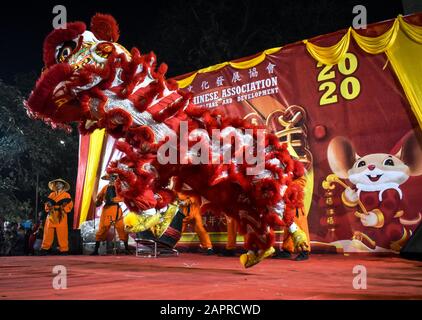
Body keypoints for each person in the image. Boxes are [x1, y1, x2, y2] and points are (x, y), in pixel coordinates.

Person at [273, 175, 311, 261]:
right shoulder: (281, 164)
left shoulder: (294, 165)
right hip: (286, 199)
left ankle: (304, 251)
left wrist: (288, 187)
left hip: (294, 198)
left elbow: (302, 181)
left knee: (299, 224)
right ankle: (287, 250)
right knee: (289, 225)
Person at [91, 174, 130, 255]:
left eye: (114, 177)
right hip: (107, 209)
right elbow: (100, 198)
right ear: (108, 178)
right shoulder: (105, 187)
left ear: (116, 179)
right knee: (102, 228)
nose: (112, 179)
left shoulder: (119, 187)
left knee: (122, 228)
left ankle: (127, 249)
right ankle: (95, 250)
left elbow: (124, 197)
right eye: (110, 177)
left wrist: (116, 200)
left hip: (116, 209)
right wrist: (97, 202)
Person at [40, 178, 73, 255]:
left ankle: (64, 249)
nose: (58, 185)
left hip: (61, 214)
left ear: (63, 185)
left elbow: (70, 205)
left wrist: (64, 206)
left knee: (62, 232)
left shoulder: (66, 195)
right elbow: (47, 204)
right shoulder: (51, 194)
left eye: (60, 184)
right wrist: (48, 205)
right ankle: (45, 248)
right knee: (48, 231)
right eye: (57, 184)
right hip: (51, 214)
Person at [178, 190, 214, 255]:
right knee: (179, 230)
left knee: (200, 229)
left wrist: (187, 201)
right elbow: (178, 197)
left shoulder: (194, 189)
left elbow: (195, 198)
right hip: (184, 214)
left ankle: (208, 247)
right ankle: (169, 246)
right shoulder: (179, 189)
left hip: (195, 213)